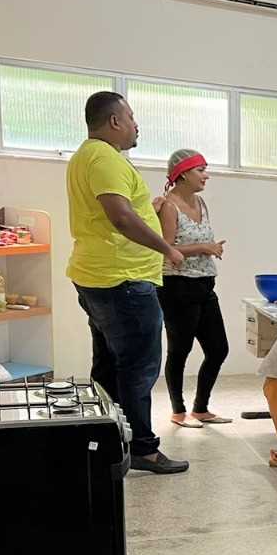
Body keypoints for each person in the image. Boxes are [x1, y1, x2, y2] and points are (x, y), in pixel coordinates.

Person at [67, 91, 188, 474]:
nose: (137, 125)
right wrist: (165, 247)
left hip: (98, 276)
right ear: (115, 121)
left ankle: (102, 440)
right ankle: (143, 449)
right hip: (123, 280)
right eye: (132, 117)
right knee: (139, 368)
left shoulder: (86, 156)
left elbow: (117, 212)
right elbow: (119, 217)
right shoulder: (105, 158)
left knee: (108, 364)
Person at [157, 149, 230, 428]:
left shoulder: (201, 203)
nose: (206, 175)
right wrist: (204, 248)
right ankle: (178, 412)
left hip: (204, 285)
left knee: (218, 349)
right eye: (201, 169)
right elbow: (166, 249)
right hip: (177, 287)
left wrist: (211, 250)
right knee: (180, 350)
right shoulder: (167, 205)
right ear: (183, 173)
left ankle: (201, 409)